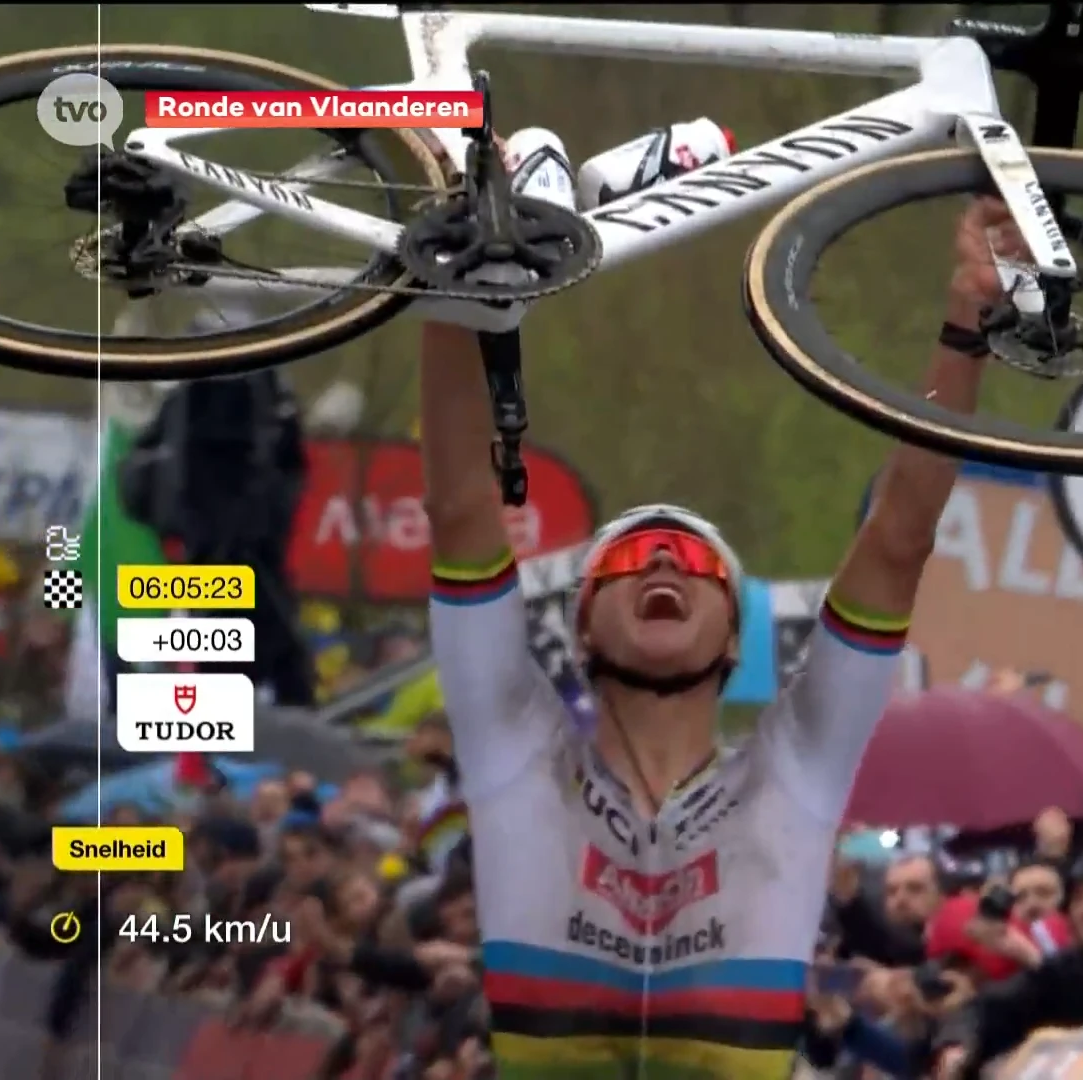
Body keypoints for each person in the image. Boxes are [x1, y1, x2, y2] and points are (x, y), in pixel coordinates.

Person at [418, 198, 1017, 1076]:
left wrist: (969, 317)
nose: (663, 559)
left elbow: (899, 535)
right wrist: (448, 289)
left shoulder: (796, 774)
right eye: (628, 559)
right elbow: (461, 504)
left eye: (696, 562)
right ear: (579, 628)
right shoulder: (515, 751)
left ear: (735, 641)